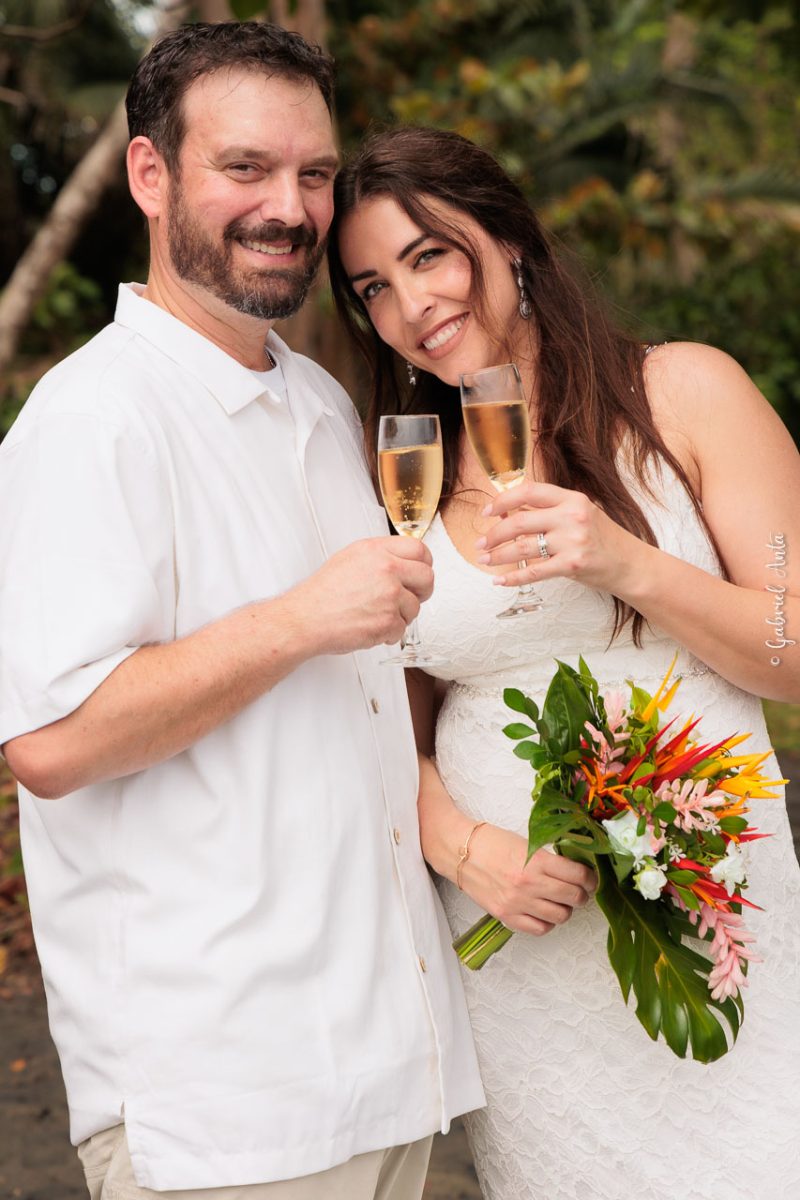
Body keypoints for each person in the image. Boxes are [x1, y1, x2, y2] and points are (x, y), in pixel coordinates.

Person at [0, 32, 486, 1200]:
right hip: (228, 1110)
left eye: (313, 175)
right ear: (151, 175)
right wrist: (298, 620)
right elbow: (50, 744)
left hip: (391, 1070)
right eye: (246, 169)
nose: (289, 208)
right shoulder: (89, 423)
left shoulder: (319, 401)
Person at [328, 124, 800, 1199]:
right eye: (371, 287)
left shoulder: (682, 391)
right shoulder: (398, 464)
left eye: (427, 255)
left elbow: (788, 647)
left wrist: (627, 563)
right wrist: (459, 847)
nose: (409, 307)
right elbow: (362, 708)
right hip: (519, 944)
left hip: (717, 910)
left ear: (507, 240)